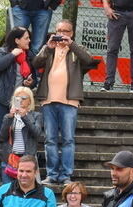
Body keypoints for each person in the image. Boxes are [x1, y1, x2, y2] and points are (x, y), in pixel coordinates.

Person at [34, 20, 95, 187]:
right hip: (48, 99)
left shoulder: (76, 49)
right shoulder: (50, 48)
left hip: (70, 101)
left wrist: (72, 44)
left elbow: (89, 60)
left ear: (71, 33)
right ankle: (52, 175)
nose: (61, 33)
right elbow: (35, 63)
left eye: (65, 31)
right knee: (50, 139)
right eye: (59, 30)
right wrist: (48, 47)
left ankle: (66, 175)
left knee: (68, 139)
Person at [0, 27, 35, 185]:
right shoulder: (2, 51)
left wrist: (30, 83)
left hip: (17, 101)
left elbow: (33, 78)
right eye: (26, 38)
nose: (29, 41)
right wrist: (13, 54)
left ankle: (11, 168)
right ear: (17, 40)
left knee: (16, 135)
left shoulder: (29, 55)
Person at [0, 86, 43, 179]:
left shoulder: (36, 116)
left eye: (24, 98)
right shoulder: (9, 117)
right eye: (17, 98)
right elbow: (2, 137)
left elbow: (37, 134)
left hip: (28, 160)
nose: (21, 101)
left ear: (30, 101)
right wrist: (10, 117)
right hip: (10, 159)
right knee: (8, 191)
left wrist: (24, 117)